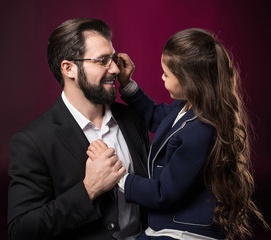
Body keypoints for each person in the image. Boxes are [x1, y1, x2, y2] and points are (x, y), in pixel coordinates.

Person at [87, 28, 269, 239]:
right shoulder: (186, 107)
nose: (161, 77)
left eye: (166, 74)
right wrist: (127, 84)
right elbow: (155, 116)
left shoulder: (201, 130)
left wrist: (118, 177)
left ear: (189, 81)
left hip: (184, 232)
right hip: (167, 226)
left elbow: (164, 192)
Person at [7, 18, 151, 240]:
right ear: (69, 68)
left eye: (113, 58)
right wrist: (88, 190)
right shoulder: (32, 141)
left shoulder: (133, 119)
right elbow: (21, 230)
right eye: (102, 60)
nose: (114, 68)